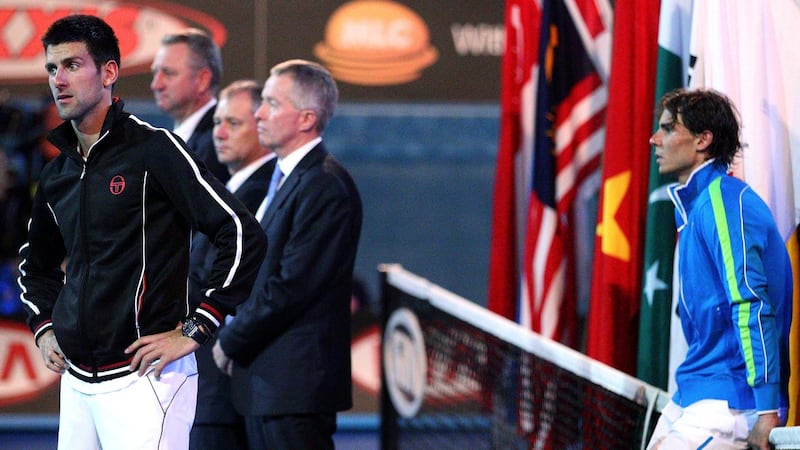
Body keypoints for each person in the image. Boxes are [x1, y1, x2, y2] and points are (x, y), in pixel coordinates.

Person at [17, 15, 266, 450]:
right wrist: (44, 326)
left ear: (109, 72)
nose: (59, 79)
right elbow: (35, 267)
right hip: (77, 383)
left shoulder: (155, 150)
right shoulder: (58, 173)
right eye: (52, 68)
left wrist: (196, 326)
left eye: (72, 65)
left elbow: (241, 232)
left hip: (146, 381)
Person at [213, 59, 363, 449]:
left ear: (306, 119)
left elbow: (291, 286)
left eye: (272, 104)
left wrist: (230, 340)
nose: (260, 113)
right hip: (268, 386)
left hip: (294, 390)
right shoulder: (289, 179)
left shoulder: (324, 186)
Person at [645, 88, 792, 450]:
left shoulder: (723, 202)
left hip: (732, 402)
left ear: (703, 140)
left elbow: (751, 304)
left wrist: (766, 409)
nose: (655, 139)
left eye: (668, 128)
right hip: (694, 394)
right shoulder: (697, 208)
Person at [187, 79, 275, 450]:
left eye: (233, 123)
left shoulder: (260, 193)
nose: (219, 133)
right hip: (210, 381)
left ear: (262, 125)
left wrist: (185, 330)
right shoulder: (232, 190)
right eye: (217, 122)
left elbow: (214, 283)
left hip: (221, 384)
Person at [150, 28, 229, 183]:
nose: (156, 85)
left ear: (203, 80)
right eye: (155, 73)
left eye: (168, 73)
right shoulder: (180, 140)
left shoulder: (218, 143)